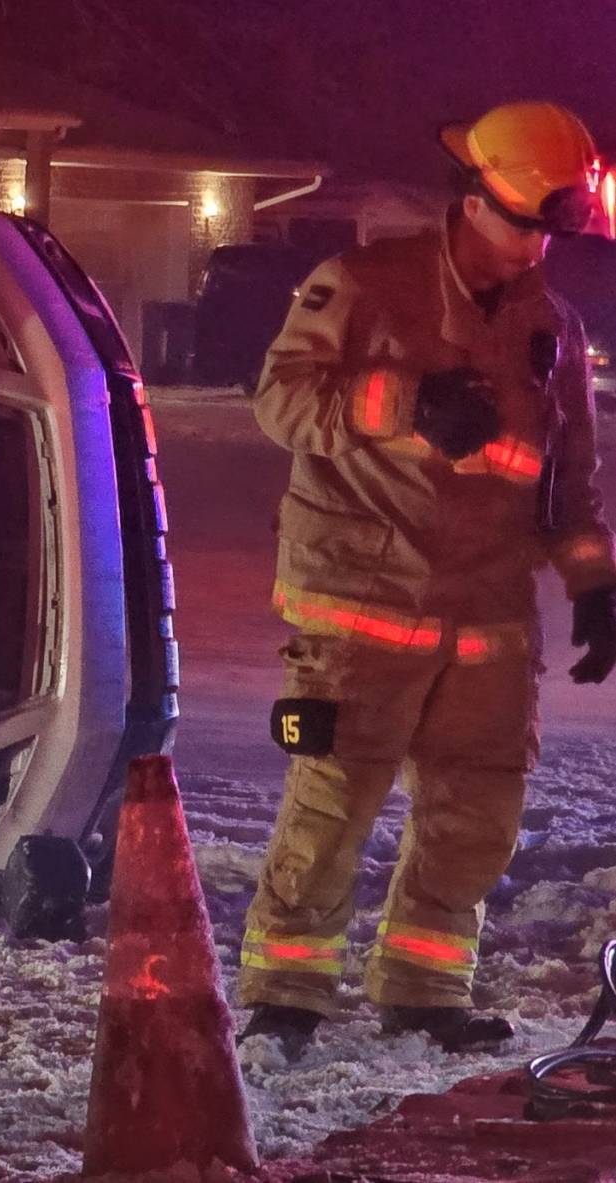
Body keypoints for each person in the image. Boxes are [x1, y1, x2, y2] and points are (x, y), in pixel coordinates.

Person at [236, 100, 616, 1062]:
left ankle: (423, 990)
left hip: (486, 618)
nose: (534, 246)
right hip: (361, 598)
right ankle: (285, 999)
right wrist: (402, 404)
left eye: (550, 229)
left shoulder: (553, 328)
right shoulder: (365, 283)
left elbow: (569, 487)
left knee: (476, 817)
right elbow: (280, 398)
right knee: (330, 807)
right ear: (472, 196)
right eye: (524, 221)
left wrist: (593, 586)